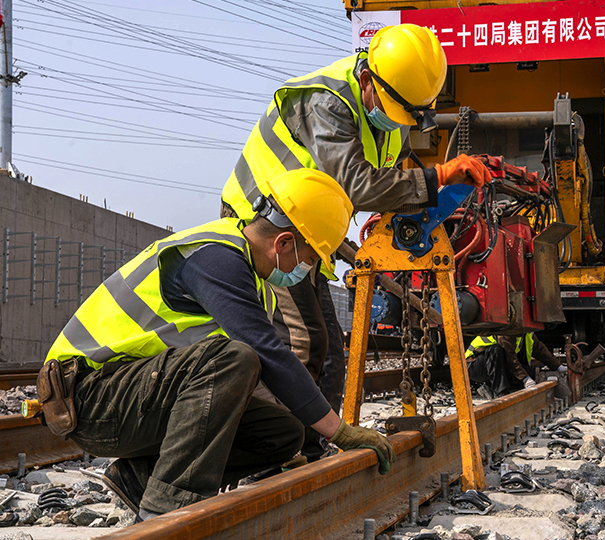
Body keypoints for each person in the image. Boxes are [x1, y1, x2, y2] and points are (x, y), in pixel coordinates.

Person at [42, 170, 396, 522]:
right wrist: (341, 432)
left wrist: (300, 439)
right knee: (233, 358)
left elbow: (245, 380)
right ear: (283, 243)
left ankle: (140, 479)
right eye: (312, 258)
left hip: (132, 397)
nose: (308, 269)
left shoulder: (252, 280)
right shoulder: (215, 258)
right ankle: (165, 513)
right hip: (88, 399)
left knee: (283, 434)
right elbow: (266, 354)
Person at [219, 24, 489, 457]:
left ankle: (305, 453)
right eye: (394, 109)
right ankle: (278, 455)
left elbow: (392, 176)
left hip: (304, 229)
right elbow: (358, 184)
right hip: (264, 227)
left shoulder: (391, 112)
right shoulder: (325, 102)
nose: (398, 122)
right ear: (368, 79)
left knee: (322, 345)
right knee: (301, 341)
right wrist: (439, 176)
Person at [465, 333, 567, 399]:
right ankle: (500, 393)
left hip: (492, 366)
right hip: (475, 366)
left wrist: (558, 366)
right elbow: (511, 359)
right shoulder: (505, 332)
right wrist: (525, 378)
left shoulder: (527, 333)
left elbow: (540, 350)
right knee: (496, 350)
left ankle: (488, 387)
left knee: (530, 373)